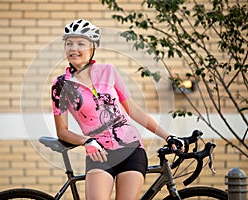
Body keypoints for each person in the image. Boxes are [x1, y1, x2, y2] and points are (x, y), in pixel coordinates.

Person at [51, 19, 184, 200]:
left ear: (92, 47)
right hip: (99, 154)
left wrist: (167, 136)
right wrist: (86, 141)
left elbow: (134, 110)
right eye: (69, 43)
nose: (73, 49)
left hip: (131, 149)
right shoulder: (60, 85)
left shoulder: (109, 71)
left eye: (80, 43)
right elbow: (62, 131)